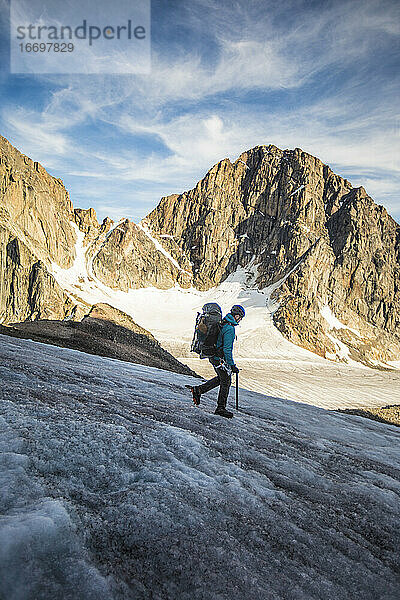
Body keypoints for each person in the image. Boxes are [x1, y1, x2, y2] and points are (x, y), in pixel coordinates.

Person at [191, 304, 245, 418]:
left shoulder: (223, 323)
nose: (240, 320)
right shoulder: (229, 328)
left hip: (213, 356)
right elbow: (227, 349)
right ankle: (220, 408)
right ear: (236, 316)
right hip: (218, 358)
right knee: (226, 381)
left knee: (222, 378)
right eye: (240, 317)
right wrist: (232, 365)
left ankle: (199, 390)